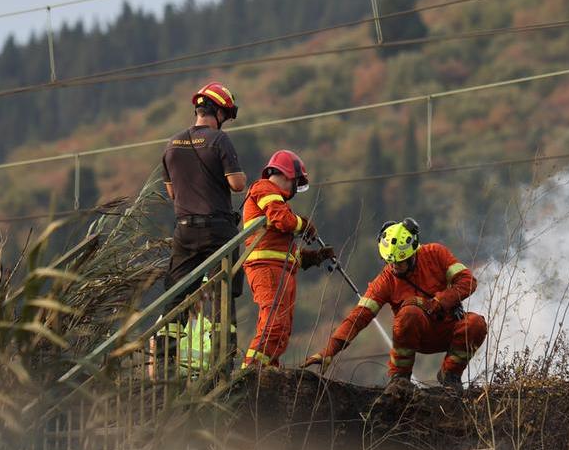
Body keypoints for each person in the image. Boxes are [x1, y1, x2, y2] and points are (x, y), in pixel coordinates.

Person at [303, 218, 486, 395]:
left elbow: (467, 281)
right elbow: (358, 318)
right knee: (410, 312)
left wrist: (439, 302)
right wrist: (329, 351)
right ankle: (400, 378)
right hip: (414, 334)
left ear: (413, 254)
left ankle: (450, 376)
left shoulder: (436, 254)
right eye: (389, 262)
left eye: (400, 262)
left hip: (446, 328)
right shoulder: (385, 281)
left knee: (476, 323)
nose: (394, 267)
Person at [159, 81, 246, 370]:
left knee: (176, 292)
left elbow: (172, 193)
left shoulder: (172, 144)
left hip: (184, 231)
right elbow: (237, 184)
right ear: (218, 112)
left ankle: (165, 360)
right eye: (226, 115)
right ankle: (223, 360)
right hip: (217, 230)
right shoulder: (219, 141)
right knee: (224, 290)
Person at [241, 149, 334, 368]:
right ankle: (251, 373)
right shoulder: (264, 188)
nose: (294, 190)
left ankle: (267, 371)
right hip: (267, 269)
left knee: (281, 329)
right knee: (273, 324)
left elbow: (282, 248)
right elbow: (284, 221)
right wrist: (303, 224)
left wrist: (314, 257)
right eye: (296, 183)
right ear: (286, 175)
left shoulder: (276, 201)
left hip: (278, 270)